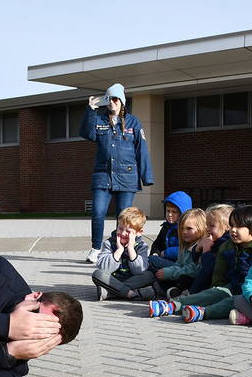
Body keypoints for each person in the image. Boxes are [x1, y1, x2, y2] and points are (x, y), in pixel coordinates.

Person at [148, 205, 252, 323]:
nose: (233, 229)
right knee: (213, 294)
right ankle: (172, 306)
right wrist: (216, 291)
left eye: (239, 226)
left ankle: (203, 312)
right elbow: (219, 275)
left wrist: (206, 251)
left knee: (234, 301)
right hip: (232, 286)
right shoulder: (227, 247)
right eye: (232, 225)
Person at [80, 83, 154, 263]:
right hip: (102, 176)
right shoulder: (100, 121)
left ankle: (119, 249)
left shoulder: (133, 122)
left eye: (115, 99)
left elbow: (141, 150)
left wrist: (147, 177)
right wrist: (90, 111)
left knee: (124, 217)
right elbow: (86, 133)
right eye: (109, 99)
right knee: (97, 212)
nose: (112, 102)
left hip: (127, 178)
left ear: (121, 101)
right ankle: (96, 248)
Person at [91, 206, 150, 300]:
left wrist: (131, 249)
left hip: (133, 280)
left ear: (139, 232)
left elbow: (140, 270)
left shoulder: (142, 246)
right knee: (98, 274)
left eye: (128, 231)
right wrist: (118, 251)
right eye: (121, 228)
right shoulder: (109, 243)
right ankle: (131, 294)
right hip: (112, 279)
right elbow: (104, 268)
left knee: (149, 276)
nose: (123, 233)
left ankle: (111, 292)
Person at [153, 207, 206, 299]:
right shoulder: (185, 246)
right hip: (180, 275)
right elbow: (179, 264)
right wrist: (167, 272)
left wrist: (169, 272)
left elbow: (193, 270)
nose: (184, 232)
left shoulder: (200, 247)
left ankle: (178, 293)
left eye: (189, 228)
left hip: (193, 280)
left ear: (201, 229)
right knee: (162, 278)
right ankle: (173, 291)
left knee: (183, 279)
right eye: (181, 228)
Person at [188, 203, 233, 295]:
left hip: (219, 285)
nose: (207, 229)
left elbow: (208, 270)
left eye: (212, 226)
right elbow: (195, 259)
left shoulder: (226, 244)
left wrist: (206, 250)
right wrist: (198, 247)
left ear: (227, 227)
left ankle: (192, 294)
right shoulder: (214, 239)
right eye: (207, 225)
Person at [149, 191, 192, 269]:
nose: (170, 214)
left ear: (183, 214)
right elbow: (157, 243)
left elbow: (185, 249)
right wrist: (155, 252)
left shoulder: (185, 230)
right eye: (168, 211)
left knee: (151, 261)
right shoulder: (166, 227)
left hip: (179, 264)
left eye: (174, 212)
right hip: (165, 259)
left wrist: (166, 253)